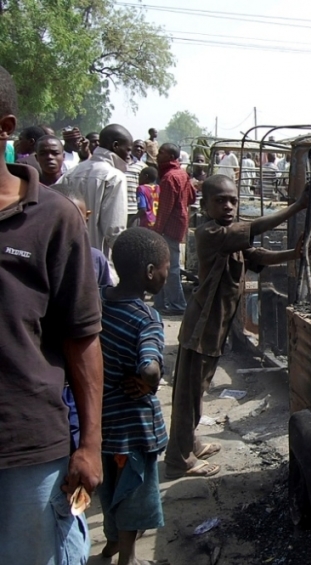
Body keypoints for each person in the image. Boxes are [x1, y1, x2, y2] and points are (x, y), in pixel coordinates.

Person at [0, 64, 104, 564]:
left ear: (5, 128)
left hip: (27, 450)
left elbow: (82, 337)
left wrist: (90, 443)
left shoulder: (52, 217)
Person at [164, 175, 310, 478]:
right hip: (202, 327)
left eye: (233, 200)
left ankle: (189, 442)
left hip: (216, 327)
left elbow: (256, 256)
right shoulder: (210, 233)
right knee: (188, 394)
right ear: (204, 206)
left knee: (197, 389)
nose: (228, 206)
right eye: (220, 201)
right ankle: (179, 459)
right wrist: (297, 206)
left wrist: (292, 255)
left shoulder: (230, 235)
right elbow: (256, 228)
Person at [97, 228, 169, 565]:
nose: (170, 274)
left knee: (110, 487)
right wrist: (150, 381)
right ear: (151, 272)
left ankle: (110, 546)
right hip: (134, 426)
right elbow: (150, 368)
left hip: (103, 418)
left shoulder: (99, 301)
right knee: (134, 491)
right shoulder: (147, 320)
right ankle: (128, 557)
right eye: (167, 267)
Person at [55, 124, 132, 256]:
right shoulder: (114, 177)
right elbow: (114, 232)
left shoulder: (71, 173)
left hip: (69, 257)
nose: (129, 156)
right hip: (98, 261)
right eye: (128, 150)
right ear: (115, 146)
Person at [153, 143, 196, 315]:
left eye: (161, 153)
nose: (157, 155)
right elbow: (192, 197)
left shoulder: (169, 178)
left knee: (170, 267)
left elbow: (164, 208)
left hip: (169, 227)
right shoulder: (182, 173)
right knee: (166, 264)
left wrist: (156, 230)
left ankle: (177, 304)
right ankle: (161, 302)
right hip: (179, 224)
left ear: (171, 157)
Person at [56, 186, 114, 289]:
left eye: (77, 221)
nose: (67, 227)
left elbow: (102, 298)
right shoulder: (35, 258)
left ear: (86, 218)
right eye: (59, 220)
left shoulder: (95, 258)